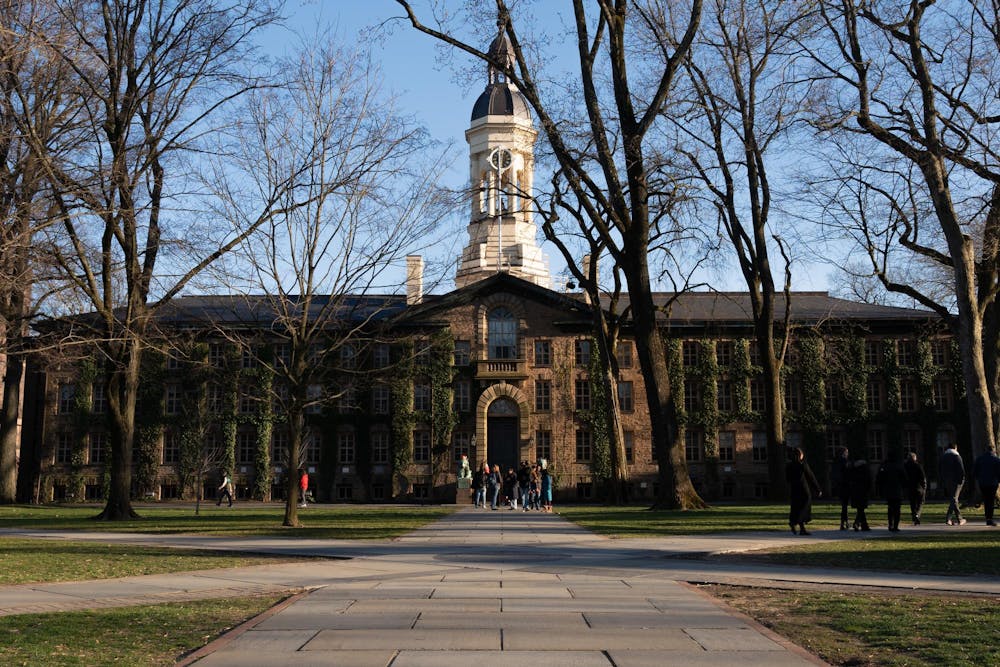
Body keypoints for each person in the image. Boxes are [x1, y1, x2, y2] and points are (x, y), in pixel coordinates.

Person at [785, 447, 821, 535]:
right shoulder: (802, 464)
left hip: (794, 488)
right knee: (805, 504)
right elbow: (810, 476)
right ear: (799, 455)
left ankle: (801, 528)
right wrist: (817, 488)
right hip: (803, 488)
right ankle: (795, 522)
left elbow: (787, 479)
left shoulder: (789, 465)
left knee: (795, 506)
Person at [875, 452, 908, 532]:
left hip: (888, 489)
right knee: (897, 509)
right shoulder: (899, 466)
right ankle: (895, 525)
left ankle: (890, 524)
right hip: (897, 489)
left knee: (890, 508)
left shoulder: (884, 466)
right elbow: (904, 478)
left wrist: (880, 489)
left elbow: (879, 478)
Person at [938, 442, 966, 525]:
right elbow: (961, 470)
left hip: (946, 480)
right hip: (956, 481)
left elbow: (939, 469)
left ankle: (957, 519)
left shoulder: (943, 457)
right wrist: (962, 480)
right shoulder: (957, 456)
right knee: (954, 499)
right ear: (955, 448)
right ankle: (952, 519)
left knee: (953, 499)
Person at [973, 446, 1000, 526]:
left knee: (986, 499)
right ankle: (990, 518)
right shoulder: (996, 460)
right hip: (992, 483)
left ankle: (987, 518)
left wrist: (978, 478)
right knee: (991, 501)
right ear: (993, 450)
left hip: (982, 483)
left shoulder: (979, 459)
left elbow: (975, 472)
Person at [903, 452, 927, 525]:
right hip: (918, 487)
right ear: (914, 458)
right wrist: (924, 486)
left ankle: (914, 516)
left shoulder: (905, 466)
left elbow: (904, 477)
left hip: (910, 487)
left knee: (912, 503)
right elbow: (923, 477)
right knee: (920, 502)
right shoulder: (918, 465)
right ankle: (917, 515)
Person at [831, 446, 851, 530]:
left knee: (844, 505)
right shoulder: (844, 461)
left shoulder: (835, 462)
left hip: (838, 485)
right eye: (846, 453)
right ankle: (844, 522)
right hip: (845, 485)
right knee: (845, 505)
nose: (847, 454)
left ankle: (844, 522)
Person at [848, 459, 871, 531]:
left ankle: (865, 525)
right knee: (861, 508)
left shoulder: (853, 470)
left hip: (855, 491)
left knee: (860, 509)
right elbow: (869, 480)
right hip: (863, 491)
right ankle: (856, 523)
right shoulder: (865, 470)